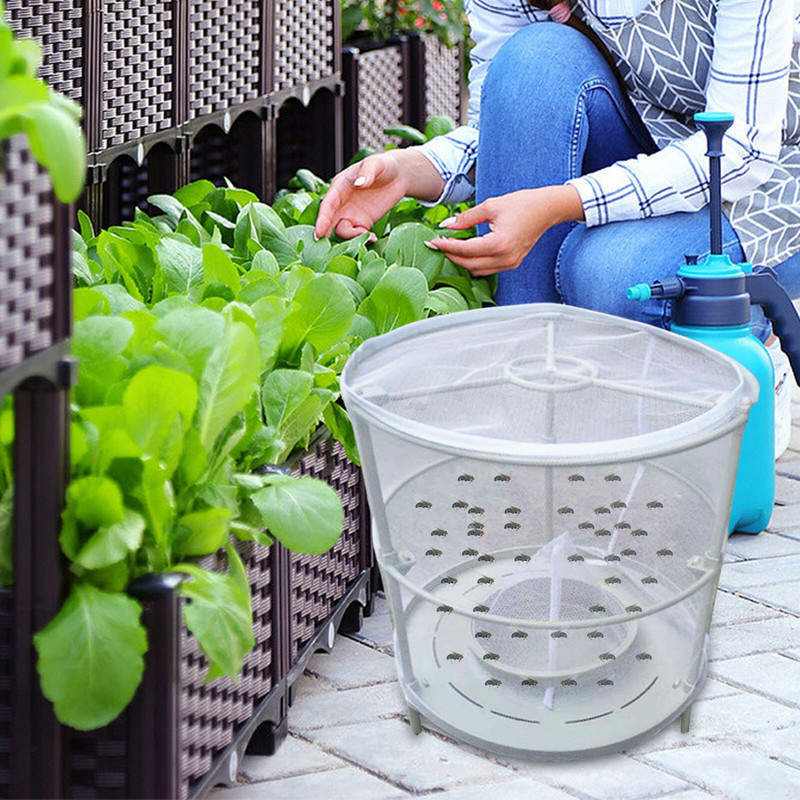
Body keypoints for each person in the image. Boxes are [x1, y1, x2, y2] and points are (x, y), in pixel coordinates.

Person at [315, 0, 800, 454]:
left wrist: (564, 203)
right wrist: (409, 170)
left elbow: (742, 153)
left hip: (769, 191)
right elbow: (507, 131)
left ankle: (749, 349)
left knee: (608, 274)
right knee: (535, 58)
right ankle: (532, 414)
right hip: (656, 148)